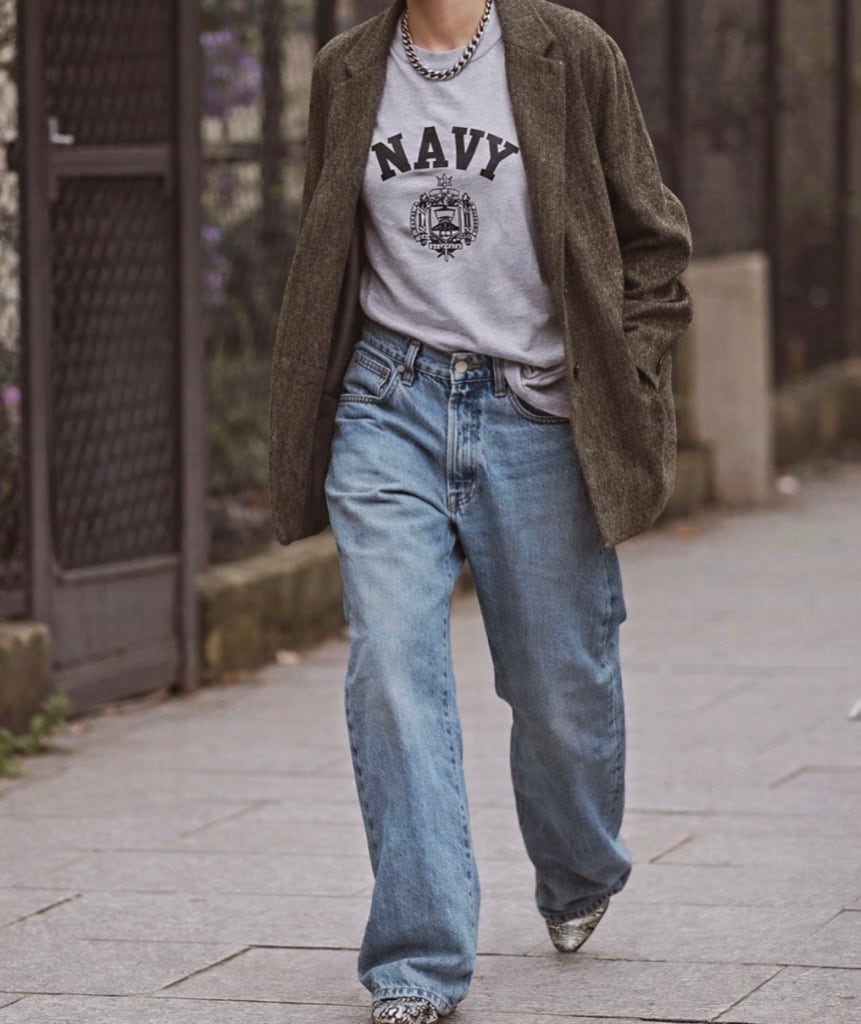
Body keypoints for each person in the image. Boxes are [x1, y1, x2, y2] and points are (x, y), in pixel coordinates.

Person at [267, 0, 694, 1020]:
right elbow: (329, 249)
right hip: (389, 399)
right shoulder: (346, 69)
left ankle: (578, 868)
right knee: (391, 668)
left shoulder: (570, 53)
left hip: (538, 411)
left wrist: (623, 377)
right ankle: (417, 960)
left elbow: (655, 243)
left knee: (559, 688)